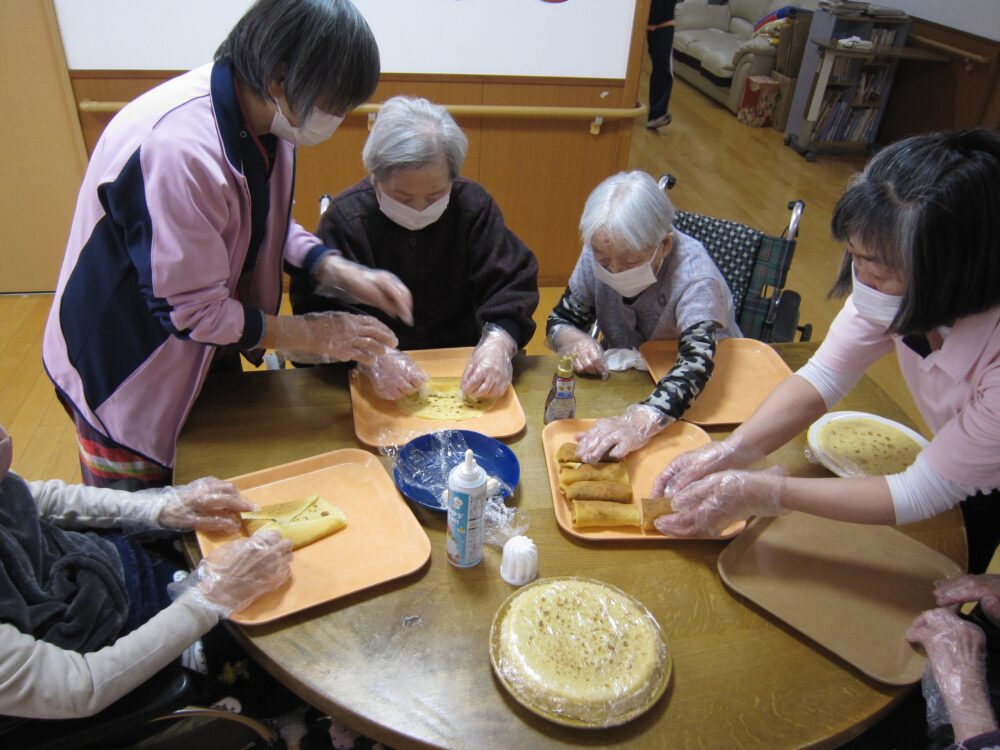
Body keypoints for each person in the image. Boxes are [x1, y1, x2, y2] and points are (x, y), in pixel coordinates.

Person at [43, 0, 412, 490]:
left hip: (198, 352)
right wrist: (313, 334)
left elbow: (256, 225)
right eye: (333, 105)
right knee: (141, 520)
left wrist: (334, 269)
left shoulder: (264, 119)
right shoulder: (178, 150)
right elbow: (192, 313)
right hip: (127, 367)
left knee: (203, 473)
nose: (337, 117)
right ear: (279, 78)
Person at [652, 129, 1000, 574]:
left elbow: (921, 491)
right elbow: (822, 377)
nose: (863, 283)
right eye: (856, 258)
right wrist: (732, 451)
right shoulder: (894, 286)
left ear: (951, 275)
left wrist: (771, 493)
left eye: (880, 273)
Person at [0, 422, 292, 719]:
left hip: (104, 563)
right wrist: (209, 599)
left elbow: (38, 499)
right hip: (113, 647)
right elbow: (77, 687)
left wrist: (159, 508)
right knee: (281, 645)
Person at [289, 95, 540, 400]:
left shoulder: (473, 207)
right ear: (375, 178)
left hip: (462, 367)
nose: (420, 208)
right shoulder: (347, 218)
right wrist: (372, 356)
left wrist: (498, 344)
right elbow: (316, 309)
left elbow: (512, 284)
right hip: (369, 374)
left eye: (435, 196)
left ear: (453, 177)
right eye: (404, 198)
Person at [546, 170, 740, 463]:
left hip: (698, 397)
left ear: (665, 245)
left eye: (630, 261)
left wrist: (636, 423)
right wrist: (573, 340)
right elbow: (560, 319)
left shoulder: (695, 279)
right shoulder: (600, 248)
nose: (613, 270)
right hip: (628, 384)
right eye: (603, 260)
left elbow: (696, 367)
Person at [646, 0, 678, 129]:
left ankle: (657, 114)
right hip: (639, 15)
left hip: (665, 20)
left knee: (663, 66)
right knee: (628, 65)